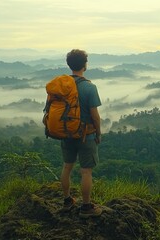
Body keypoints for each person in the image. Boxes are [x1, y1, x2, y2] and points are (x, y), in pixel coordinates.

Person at [60, 49, 102, 218]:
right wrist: (98, 134)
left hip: (65, 133)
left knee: (67, 167)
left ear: (69, 65)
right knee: (86, 172)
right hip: (86, 135)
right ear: (85, 65)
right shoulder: (89, 87)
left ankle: (67, 201)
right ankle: (86, 207)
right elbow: (95, 117)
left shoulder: (62, 86)